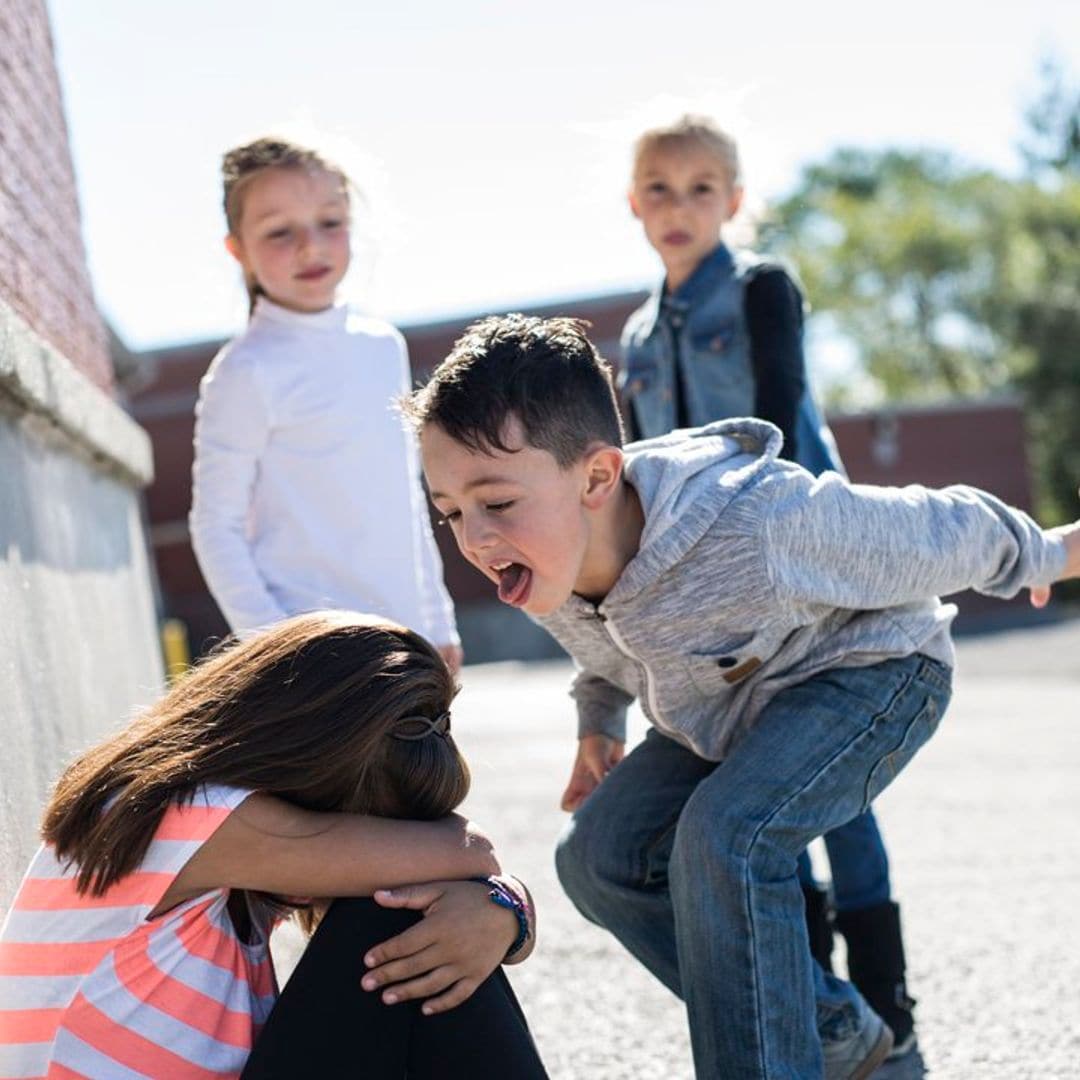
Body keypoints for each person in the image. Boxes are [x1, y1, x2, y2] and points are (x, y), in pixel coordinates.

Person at [403, 314, 1079, 1079]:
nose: (474, 539)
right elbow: (608, 647)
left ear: (596, 477)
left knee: (727, 836)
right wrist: (599, 723)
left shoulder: (754, 522)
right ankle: (826, 1029)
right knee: (596, 856)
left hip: (871, 674)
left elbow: (926, 529)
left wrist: (1046, 552)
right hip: (729, 708)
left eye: (494, 502)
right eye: (450, 511)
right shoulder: (549, 555)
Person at [619, 114, 913, 1054]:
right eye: (660, 188)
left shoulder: (759, 289)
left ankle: (889, 1011)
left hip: (806, 569)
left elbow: (782, 416)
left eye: (702, 187)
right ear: (634, 203)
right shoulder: (633, 334)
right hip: (707, 600)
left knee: (839, 795)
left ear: (735, 202)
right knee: (757, 791)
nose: (680, 206)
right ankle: (824, 1014)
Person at [0, 611, 548, 1079]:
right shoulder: (184, 815)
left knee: (424, 918)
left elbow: (466, 871)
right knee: (392, 913)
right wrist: (498, 901)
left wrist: (501, 912)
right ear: (309, 768)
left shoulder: (224, 846)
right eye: (370, 827)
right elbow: (470, 854)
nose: (377, 845)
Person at [190, 137, 462, 673]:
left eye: (329, 222)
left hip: (407, 642)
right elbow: (214, 525)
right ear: (238, 249)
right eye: (279, 231)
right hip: (313, 659)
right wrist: (276, 645)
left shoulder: (383, 345)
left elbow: (406, 500)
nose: (310, 246)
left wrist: (438, 621)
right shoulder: (245, 371)